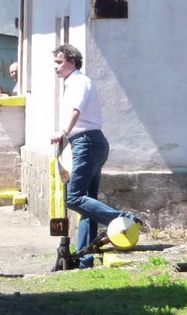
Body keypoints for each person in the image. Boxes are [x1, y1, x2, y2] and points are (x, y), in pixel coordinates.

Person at [50, 43, 141, 268]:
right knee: (88, 203)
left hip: (87, 143)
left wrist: (63, 132)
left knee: (73, 198)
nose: (56, 67)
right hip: (90, 142)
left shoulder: (79, 82)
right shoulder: (75, 82)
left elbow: (76, 110)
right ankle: (85, 258)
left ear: (72, 62)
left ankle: (123, 220)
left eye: (59, 62)